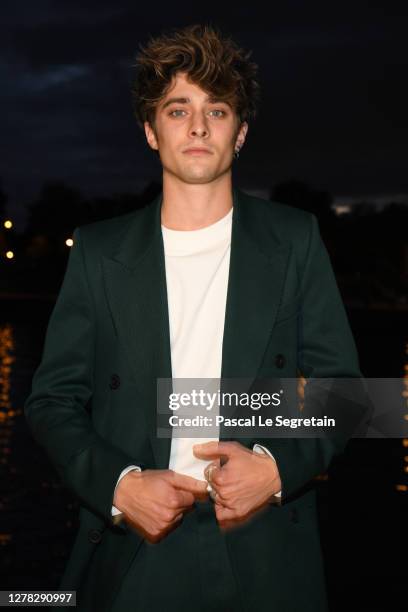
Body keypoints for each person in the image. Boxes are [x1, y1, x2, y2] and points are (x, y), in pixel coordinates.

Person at [24, 23, 364, 612]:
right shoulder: (100, 251)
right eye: (178, 109)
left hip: (265, 550)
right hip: (136, 550)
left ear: (241, 134)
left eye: (218, 108)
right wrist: (120, 485)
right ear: (151, 132)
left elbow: (351, 396)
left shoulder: (295, 239)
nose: (199, 125)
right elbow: (52, 400)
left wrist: (276, 468)